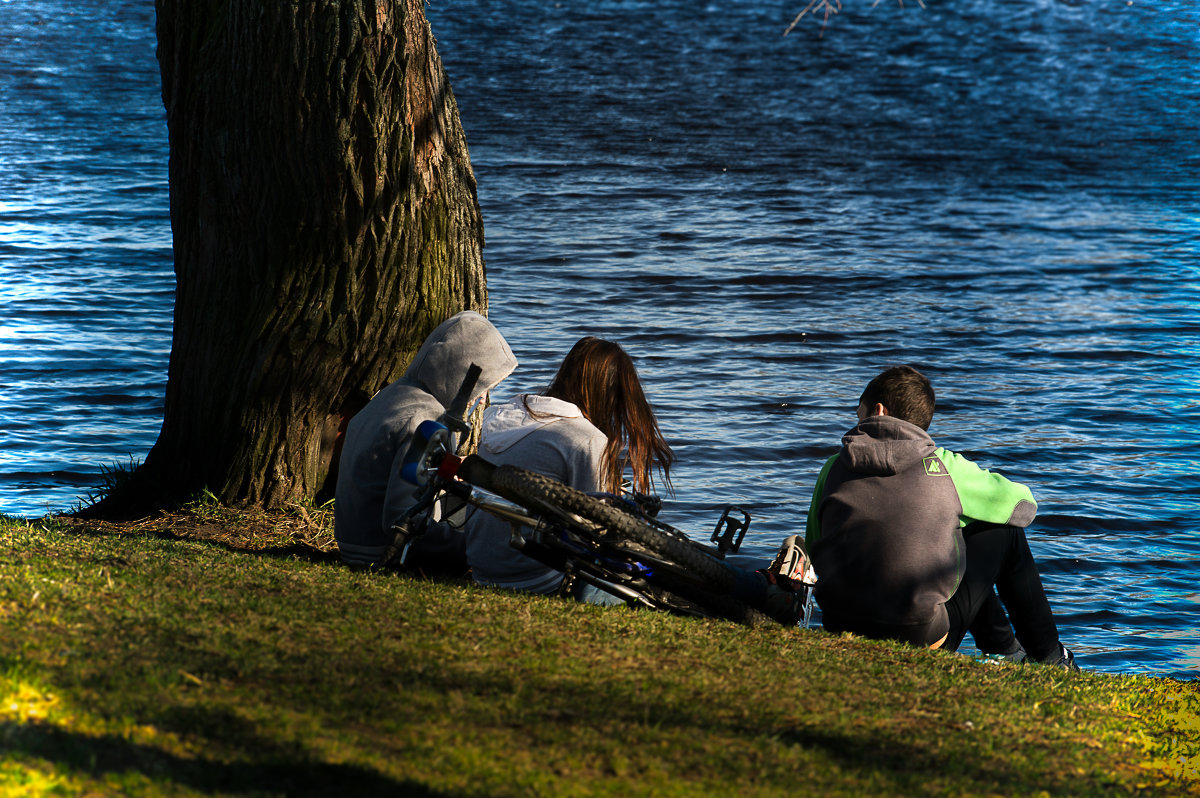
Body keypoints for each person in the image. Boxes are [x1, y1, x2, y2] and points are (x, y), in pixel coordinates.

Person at [796, 365, 1077, 668]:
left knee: (953, 534)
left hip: (842, 626)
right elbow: (1024, 507)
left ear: (877, 411)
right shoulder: (945, 467)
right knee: (1001, 531)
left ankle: (1005, 650)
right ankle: (1049, 658)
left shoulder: (832, 468)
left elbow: (815, 546)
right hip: (919, 639)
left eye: (858, 413)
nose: (856, 421)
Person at [464, 336, 674, 602]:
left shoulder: (500, 413)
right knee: (645, 590)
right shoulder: (585, 439)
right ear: (610, 395)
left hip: (484, 570)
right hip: (539, 580)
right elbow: (595, 532)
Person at [334, 311, 518, 570]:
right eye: (483, 385)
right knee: (497, 538)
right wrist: (475, 546)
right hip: (381, 552)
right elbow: (401, 521)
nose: (484, 397)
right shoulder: (424, 420)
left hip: (355, 540)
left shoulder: (393, 395)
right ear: (462, 375)